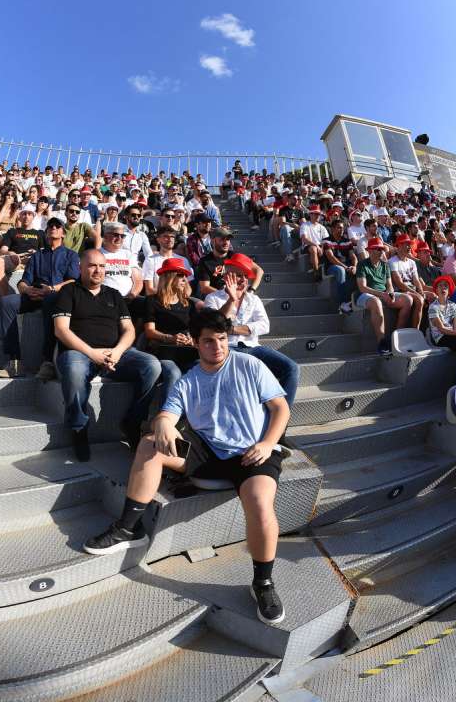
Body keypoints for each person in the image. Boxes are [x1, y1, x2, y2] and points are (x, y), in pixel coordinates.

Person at [83, 309, 289, 626]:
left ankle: (262, 582)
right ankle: (128, 528)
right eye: (209, 341)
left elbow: (280, 408)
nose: (218, 346)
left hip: (252, 451)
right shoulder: (189, 381)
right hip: (208, 452)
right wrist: (163, 424)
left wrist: (266, 443)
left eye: (222, 339)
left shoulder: (249, 364)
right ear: (195, 343)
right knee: (150, 442)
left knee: (261, 503)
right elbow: (168, 414)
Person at [53, 250, 167, 459]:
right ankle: (79, 427)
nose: (98, 270)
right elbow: (61, 330)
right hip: (79, 352)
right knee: (75, 369)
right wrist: (92, 353)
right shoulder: (69, 292)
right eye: (92, 265)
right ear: (81, 267)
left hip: (115, 353)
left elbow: (129, 330)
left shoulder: (114, 294)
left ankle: (133, 422)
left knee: (152, 365)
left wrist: (117, 351)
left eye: (102, 266)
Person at [204, 253, 299, 405]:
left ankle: (281, 420)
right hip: (228, 349)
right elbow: (214, 325)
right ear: (227, 277)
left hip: (253, 347)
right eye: (237, 275)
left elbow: (264, 325)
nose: (242, 279)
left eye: (244, 275)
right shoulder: (213, 298)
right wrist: (231, 299)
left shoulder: (253, 299)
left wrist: (233, 329)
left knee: (291, 368)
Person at [0, 218, 80, 379]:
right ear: (46, 232)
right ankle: (14, 361)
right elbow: (23, 281)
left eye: (57, 226)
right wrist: (27, 289)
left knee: (51, 299)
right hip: (35, 295)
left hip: (59, 296)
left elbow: (74, 280)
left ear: (63, 233)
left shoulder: (71, 255)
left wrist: (53, 289)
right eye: (50, 226)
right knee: (8, 302)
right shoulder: (38, 255)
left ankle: (48, 362)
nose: (53, 228)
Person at [144, 257, 200, 378]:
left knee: (205, 370)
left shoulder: (189, 304)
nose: (185, 279)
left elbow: (197, 330)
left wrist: (192, 339)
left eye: (185, 275)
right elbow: (149, 331)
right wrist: (170, 338)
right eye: (180, 275)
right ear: (168, 277)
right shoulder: (152, 301)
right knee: (173, 373)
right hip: (165, 352)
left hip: (188, 352)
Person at [355, 237, 412, 355]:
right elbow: (362, 288)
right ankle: (382, 343)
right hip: (365, 295)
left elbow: (389, 285)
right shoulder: (362, 264)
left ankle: (396, 338)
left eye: (381, 249)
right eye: (377, 249)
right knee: (376, 302)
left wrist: (390, 293)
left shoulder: (385, 265)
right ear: (370, 250)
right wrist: (382, 294)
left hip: (382, 293)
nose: (381, 251)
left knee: (408, 300)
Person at [0, 205, 47, 296]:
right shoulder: (12, 231)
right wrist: (11, 253)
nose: (26, 216)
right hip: (16, 258)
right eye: (24, 214)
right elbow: (3, 249)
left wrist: (37, 253)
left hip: (33, 258)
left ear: (33, 216)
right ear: (20, 216)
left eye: (29, 214)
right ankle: (5, 297)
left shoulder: (39, 233)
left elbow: (45, 251)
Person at [197, 228, 263, 296]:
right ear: (213, 241)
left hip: (237, 295)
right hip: (216, 299)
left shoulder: (236, 256)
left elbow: (259, 270)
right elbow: (204, 288)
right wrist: (226, 295)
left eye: (228, 239)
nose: (226, 243)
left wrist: (251, 290)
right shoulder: (205, 261)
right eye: (222, 239)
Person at [142, 226, 194, 295]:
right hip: (159, 299)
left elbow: (188, 288)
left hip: (180, 299)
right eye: (166, 236)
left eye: (172, 237)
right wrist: (170, 297)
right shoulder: (150, 260)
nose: (170, 239)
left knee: (200, 304)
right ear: (158, 240)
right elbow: (149, 290)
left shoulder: (183, 260)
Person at [389, 234, 425, 329]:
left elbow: (416, 280)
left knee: (433, 297)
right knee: (420, 300)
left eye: (410, 244)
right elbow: (399, 283)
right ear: (399, 245)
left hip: (411, 290)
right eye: (407, 244)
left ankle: (423, 331)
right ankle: (405, 331)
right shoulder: (392, 261)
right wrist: (417, 293)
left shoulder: (412, 262)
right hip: (401, 291)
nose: (410, 247)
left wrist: (420, 291)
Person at [100, 222, 143, 300]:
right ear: (105, 236)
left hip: (129, 299)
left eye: (122, 236)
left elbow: (138, 280)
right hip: (105, 298)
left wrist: (132, 295)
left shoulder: (128, 254)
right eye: (116, 235)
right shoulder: (97, 254)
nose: (119, 238)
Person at [322, 220, 357, 314]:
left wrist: (354, 266)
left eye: (342, 228)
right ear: (332, 229)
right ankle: (343, 303)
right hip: (331, 267)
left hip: (347, 266)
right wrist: (346, 267)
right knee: (341, 270)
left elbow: (353, 256)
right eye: (338, 227)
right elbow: (331, 258)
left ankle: (356, 300)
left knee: (361, 270)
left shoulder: (347, 241)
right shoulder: (326, 241)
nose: (341, 230)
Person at [428, 276, 456, 351]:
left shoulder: (453, 305)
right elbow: (442, 329)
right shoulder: (433, 307)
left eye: (445, 286)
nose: (443, 288)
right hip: (440, 337)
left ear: (449, 290)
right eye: (440, 286)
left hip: (451, 333)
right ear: (436, 290)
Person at [299, 205, 329, 280]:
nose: (318, 216)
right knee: (313, 248)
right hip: (308, 246)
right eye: (315, 214)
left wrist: (321, 248)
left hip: (319, 247)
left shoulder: (322, 227)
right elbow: (304, 239)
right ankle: (316, 272)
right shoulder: (305, 225)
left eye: (318, 214)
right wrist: (317, 245)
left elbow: (325, 240)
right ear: (310, 214)